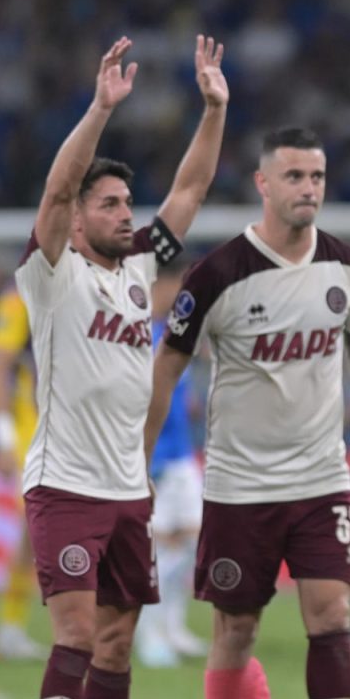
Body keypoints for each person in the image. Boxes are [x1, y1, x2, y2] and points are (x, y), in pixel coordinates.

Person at [147, 125, 350, 699]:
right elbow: (168, 366)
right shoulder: (217, 275)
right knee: (237, 631)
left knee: (332, 616)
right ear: (264, 184)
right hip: (239, 487)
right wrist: (139, 462)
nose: (308, 189)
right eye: (294, 177)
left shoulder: (345, 268)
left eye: (316, 176)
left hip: (320, 478)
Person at [21, 35, 226, 699]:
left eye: (124, 206)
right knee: (75, 632)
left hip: (125, 489)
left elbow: (193, 187)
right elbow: (54, 186)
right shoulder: (52, 272)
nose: (123, 215)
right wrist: (101, 109)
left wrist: (213, 109)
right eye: (106, 204)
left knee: (116, 642)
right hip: (65, 484)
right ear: (75, 217)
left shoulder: (137, 267)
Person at [135, 259, 208, 668]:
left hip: (181, 454)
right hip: (155, 457)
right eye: (176, 287)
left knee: (196, 539)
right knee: (159, 547)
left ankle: (174, 626)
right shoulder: (140, 336)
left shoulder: (172, 335)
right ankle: (149, 635)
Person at [0, 283, 48, 661]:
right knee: (32, 528)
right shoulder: (19, 298)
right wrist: (4, 437)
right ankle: (10, 626)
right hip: (32, 428)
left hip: (76, 427)